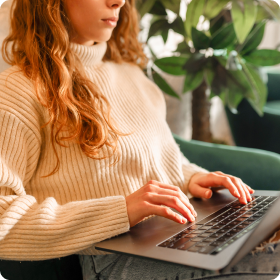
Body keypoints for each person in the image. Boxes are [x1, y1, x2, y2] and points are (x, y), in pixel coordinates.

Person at [0, 0, 278, 279]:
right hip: (115, 259)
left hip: (182, 231)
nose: (118, 2)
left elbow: (159, 157)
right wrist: (120, 211)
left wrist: (191, 177)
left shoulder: (132, 75)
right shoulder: (17, 92)